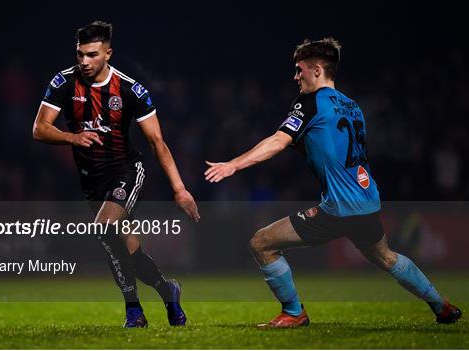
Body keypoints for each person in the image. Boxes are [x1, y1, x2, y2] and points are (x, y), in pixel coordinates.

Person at [204, 38, 461, 328]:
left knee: (261, 243)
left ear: (316, 70)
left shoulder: (309, 102)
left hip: (338, 209)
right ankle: (441, 306)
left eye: (299, 70)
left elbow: (278, 140)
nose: (295, 76)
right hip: (367, 201)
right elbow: (330, 148)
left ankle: (293, 312)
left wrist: (233, 164)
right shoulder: (353, 107)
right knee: (387, 257)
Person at [33, 20, 200, 328]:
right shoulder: (63, 83)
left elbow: (157, 142)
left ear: (108, 53)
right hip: (91, 180)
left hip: (125, 171)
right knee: (128, 250)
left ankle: (133, 311)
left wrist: (179, 189)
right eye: (80, 54)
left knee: (103, 228)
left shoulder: (129, 89)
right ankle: (168, 291)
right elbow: (39, 128)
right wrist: (72, 137)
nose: (84, 61)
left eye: (92, 54)